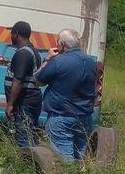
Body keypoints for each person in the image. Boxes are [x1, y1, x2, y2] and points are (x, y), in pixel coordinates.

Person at [35, 29, 98, 162]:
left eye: (58, 44)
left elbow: (38, 81)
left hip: (61, 117)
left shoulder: (59, 62)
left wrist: (47, 59)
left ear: (63, 45)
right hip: (85, 117)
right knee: (81, 157)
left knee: (64, 160)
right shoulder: (91, 62)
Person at [0, 21, 44, 148]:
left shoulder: (23, 53)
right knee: (29, 133)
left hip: (25, 102)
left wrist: (10, 104)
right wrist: (9, 63)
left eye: (11, 34)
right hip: (30, 100)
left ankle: (26, 164)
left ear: (16, 34)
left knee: (24, 137)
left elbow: (18, 80)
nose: (10, 36)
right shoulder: (30, 51)